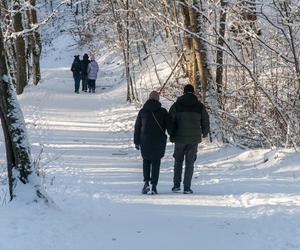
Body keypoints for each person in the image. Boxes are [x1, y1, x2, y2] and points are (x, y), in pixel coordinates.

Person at [169, 84, 210, 194]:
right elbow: (205, 120)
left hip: (179, 138)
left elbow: (170, 120)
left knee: (178, 162)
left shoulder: (176, 105)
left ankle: (176, 185)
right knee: (190, 163)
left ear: (184, 92)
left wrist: (171, 133)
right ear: (193, 92)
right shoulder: (199, 106)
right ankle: (187, 187)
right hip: (193, 139)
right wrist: (205, 132)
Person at [134, 91, 173, 195]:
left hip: (145, 141)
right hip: (159, 141)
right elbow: (170, 127)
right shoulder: (163, 112)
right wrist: (173, 134)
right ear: (158, 99)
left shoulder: (142, 111)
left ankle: (146, 182)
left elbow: (137, 127)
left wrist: (136, 142)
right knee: (156, 162)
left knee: (146, 161)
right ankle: (154, 186)